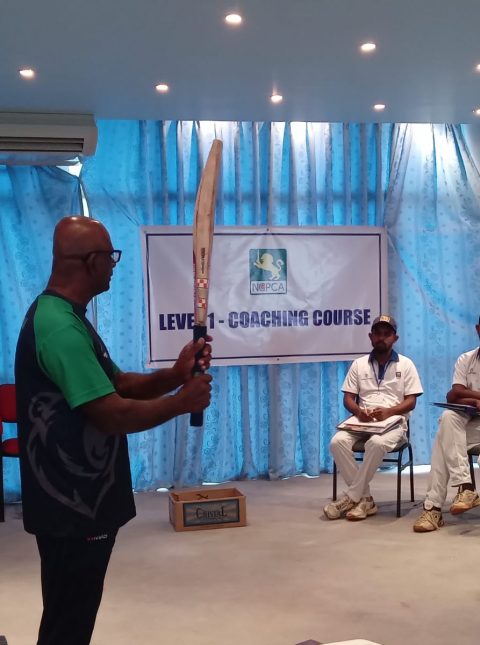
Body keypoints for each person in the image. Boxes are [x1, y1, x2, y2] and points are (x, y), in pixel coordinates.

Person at [15, 216, 213, 645]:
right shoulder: (59, 327)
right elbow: (111, 413)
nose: (113, 265)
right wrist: (182, 402)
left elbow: (118, 384)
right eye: (110, 256)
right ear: (90, 261)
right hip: (71, 505)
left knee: (71, 615)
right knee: (68, 623)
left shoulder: (67, 316)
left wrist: (175, 375)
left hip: (82, 501)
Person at [323, 314, 423, 521]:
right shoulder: (359, 364)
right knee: (337, 442)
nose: (381, 338)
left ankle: (352, 497)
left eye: (387, 334)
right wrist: (359, 412)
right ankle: (365, 499)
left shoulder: (406, 364)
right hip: (362, 421)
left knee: (376, 444)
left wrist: (389, 411)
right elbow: (348, 399)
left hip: (394, 422)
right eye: (377, 334)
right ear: (370, 337)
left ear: (395, 338)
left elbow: (411, 401)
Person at [413, 317, 480, 533]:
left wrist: (467, 395)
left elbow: (460, 393)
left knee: (443, 441)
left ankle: (432, 509)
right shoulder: (466, 359)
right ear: (478, 329)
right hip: (471, 423)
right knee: (448, 417)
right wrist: (475, 400)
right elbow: (453, 395)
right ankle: (466, 487)